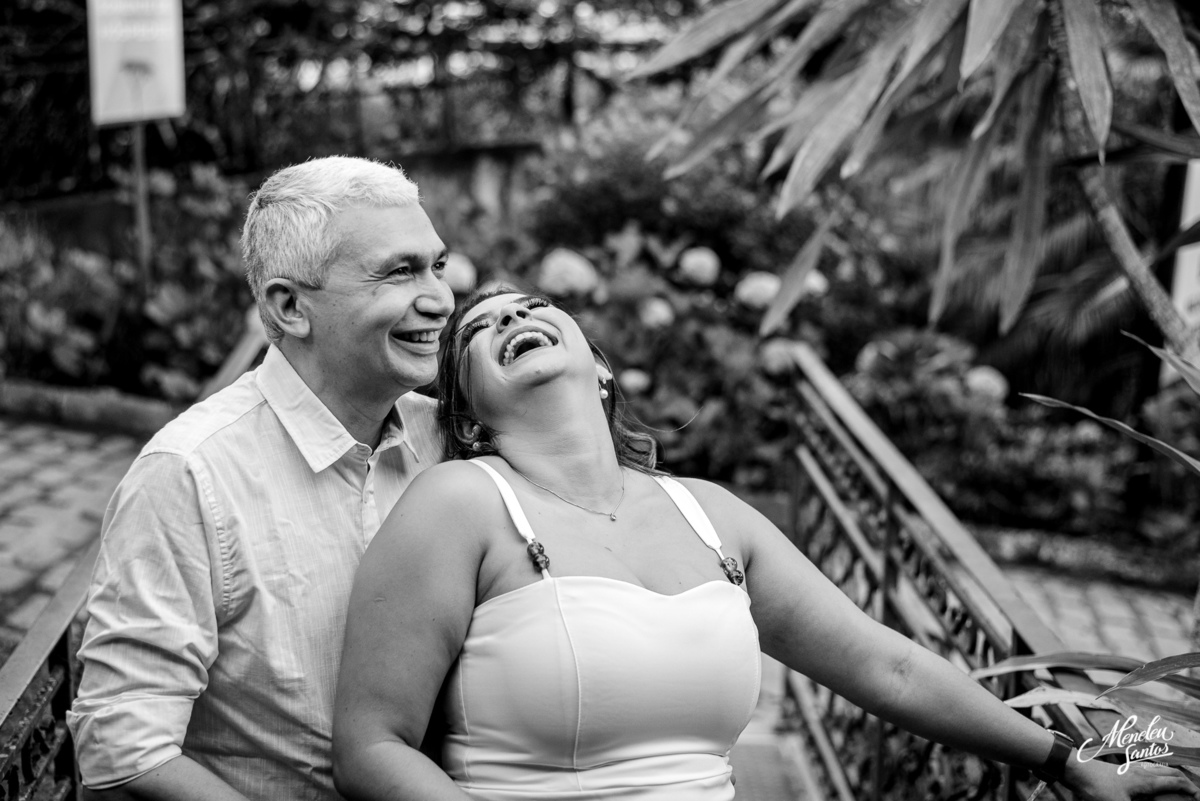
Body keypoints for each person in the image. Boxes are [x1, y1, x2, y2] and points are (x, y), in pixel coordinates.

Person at [332, 287, 1199, 801]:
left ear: (599, 366)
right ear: (471, 415)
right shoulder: (459, 503)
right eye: (482, 328)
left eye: (531, 306)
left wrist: (1075, 756)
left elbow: (888, 665)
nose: (512, 314)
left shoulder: (713, 514)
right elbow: (371, 746)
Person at [66, 156, 455, 801]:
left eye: (437, 265)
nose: (440, 298)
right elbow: (124, 743)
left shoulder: (446, 439)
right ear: (290, 307)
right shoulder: (191, 474)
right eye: (399, 272)